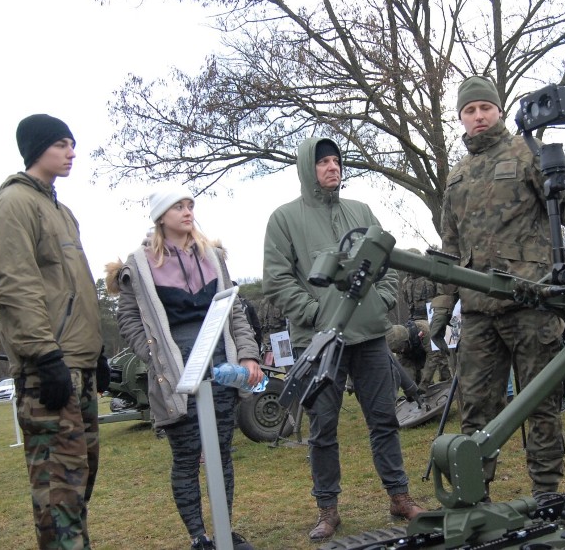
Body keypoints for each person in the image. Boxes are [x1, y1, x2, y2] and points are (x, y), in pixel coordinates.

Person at [429, 76, 565, 497]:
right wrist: (443, 307)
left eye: (485, 108)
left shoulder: (527, 152)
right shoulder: (456, 176)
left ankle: (547, 493)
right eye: (469, 110)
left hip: (531, 300)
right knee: (476, 408)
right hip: (477, 312)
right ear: (460, 117)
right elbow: (449, 248)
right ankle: (475, 496)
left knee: (540, 403)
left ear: (498, 110)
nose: (478, 116)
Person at [263, 137, 424, 541]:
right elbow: (278, 279)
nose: (332, 168)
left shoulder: (361, 211)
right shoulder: (284, 218)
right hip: (319, 341)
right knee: (322, 427)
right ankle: (328, 509)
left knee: (384, 419)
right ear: (307, 168)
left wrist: (382, 300)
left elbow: (388, 263)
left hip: (369, 335)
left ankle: (400, 496)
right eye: (323, 163)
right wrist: (318, 313)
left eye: (336, 161)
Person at [106, 185, 261, 550]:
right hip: (175, 375)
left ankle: (224, 529)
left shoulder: (213, 257)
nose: (187, 211)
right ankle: (198, 537)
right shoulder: (139, 265)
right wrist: (154, 355)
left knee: (221, 452)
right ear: (161, 216)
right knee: (188, 456)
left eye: (190, 205)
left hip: (221, 367)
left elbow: (234, 310)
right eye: (178, 206)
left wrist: (248, 355)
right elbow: (128, 318)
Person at [0, 114, 109, 549]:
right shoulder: (14, 204)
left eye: (72, 144)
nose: (71, 153)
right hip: (50, 370)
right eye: (61, 144)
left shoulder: (62, 210)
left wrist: (97, 354)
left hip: (78, 365)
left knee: (78, 485)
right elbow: (16, 286)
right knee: (59, 492)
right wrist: (45, 356)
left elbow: (74, 287)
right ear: (37, 148)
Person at [401, 248, 452, 391]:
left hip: (433, 314)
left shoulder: (431, 275)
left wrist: (441, 314)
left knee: (439, 350)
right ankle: (421, 383)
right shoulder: (406, 281)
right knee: (418, 352)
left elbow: (441, 294)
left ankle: (447, 380)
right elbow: (407, 301)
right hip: (416, 319)